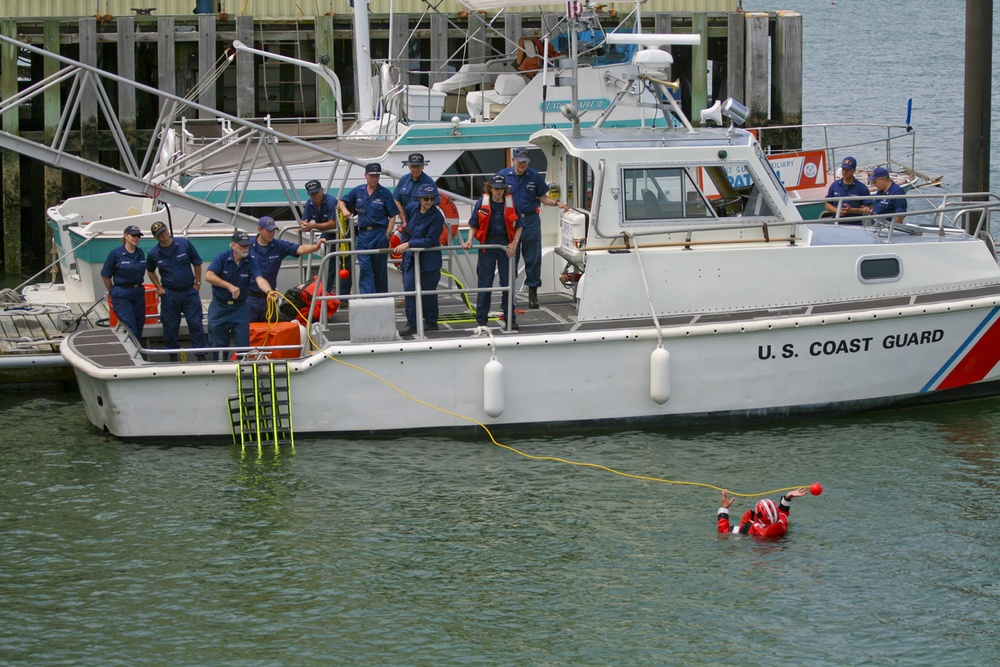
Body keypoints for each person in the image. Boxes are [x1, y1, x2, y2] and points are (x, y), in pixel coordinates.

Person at [500, 147, 568, 308]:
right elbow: (493, 196)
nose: (523, 164)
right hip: (510, 223)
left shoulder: (534, 176)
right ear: (513, 160)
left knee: (533, 258)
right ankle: (510, 294)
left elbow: (543, 197)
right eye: (520, 161)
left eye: (525, 162)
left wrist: (557, 203)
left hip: (530, 220)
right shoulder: (503, 175)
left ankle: (532, 294)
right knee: (510, 258)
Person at [462, 173, 522, 329]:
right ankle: (481, 320)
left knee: (508, 283)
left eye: (501, 189)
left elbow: (519, 225)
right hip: (486, 247)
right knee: (485, 284)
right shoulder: (482, 203)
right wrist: (469, 240)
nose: (499, 192)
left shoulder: (511, 202)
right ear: (490, 188)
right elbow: (473, 224)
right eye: (496, 189)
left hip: (505, 247)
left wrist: (514, 243)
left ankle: (510, 318)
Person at [205, 230, 274, 358]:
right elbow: (209, 276)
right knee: (217, 345)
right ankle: (219, 371)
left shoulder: (250, 261)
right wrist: (228, 286)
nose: (245, 248)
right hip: (219, 306)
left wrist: (269, 291)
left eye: (247, 245)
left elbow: (259, 278)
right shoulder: (222, 257)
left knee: (243, 345)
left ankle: (243, 370)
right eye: (242, 245)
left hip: (239, 308)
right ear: (233, 245)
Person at [145, 221, 207, 359]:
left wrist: (197, 283)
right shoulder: (153, 253)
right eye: (159, 234)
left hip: (189, 291)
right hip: (170, 294)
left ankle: (201, 355)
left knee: (196, 324)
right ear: (156, 237)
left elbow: (197, 262)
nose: (163, 235)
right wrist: (159, 287)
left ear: (168, 230)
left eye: (164, 231)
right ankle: (172, 356)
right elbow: (150, 271)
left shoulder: (184, 244)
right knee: (170, 327)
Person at [337, 163, 400, 294]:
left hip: (379, 234)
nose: (374, 179)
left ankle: (381, 298)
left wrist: (388, 233)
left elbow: (393, 215)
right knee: (365, 267)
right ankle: (368, 298)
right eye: (372, 176)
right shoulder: (358, 191)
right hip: (363, 235)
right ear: (366, 175)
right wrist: (344, 210)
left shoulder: (385, 193)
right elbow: (341, 201)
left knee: (379, 270)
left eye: (377, 176)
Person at [248, 216, 323, 322]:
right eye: (269, 230)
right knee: (248, 331)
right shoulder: (247, 246)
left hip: (270, 297)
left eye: (273, 230)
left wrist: (316, 247)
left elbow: (299, 249)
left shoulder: (278, 245)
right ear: (260, 230)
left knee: (270, 329)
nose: (272, 233)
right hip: (250, 297)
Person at [395, 183, 445, 336]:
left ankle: (431, 322)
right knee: (410, 291)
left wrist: (408, 244)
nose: (429, 202)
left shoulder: (437, 217)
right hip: (411, 258)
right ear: (420, 199)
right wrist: (406, 243)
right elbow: (407, 226)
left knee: (428, 293)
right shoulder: (411, 208)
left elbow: (430, 239)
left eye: (431, 199)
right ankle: (412, 324)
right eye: (425, 199)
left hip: (429, 261)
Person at [299, 178, 348, 296]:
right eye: (312, 193)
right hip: (327, 235)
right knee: (328, 266)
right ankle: (324, 294)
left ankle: (344, 297)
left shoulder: (330, 201)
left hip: (342, 235)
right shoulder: (310, 204)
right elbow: (303, 221)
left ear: (321, 190)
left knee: (346, 266)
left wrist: (313, 226)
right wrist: (305, 225)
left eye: (317, 192)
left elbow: (333, 223)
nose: (315, 195)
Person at [101, 224, 147, 339]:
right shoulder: (115, 254)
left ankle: (138, 351)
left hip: (138, 293)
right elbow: (105, 275)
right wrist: (112, 291)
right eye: (133, 235)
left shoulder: (140, 253)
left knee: (140, 324)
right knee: (131, 326)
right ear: (126, 236)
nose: (136, 238)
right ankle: (135, 354)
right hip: (122, 293)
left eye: (138, 236)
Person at [717, 488, 808, 538]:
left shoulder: (750, 530)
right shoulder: (782, 523)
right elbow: (783, 513)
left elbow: (723, 530)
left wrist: (724, 507)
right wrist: (787, 497)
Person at [393, 153, 437, 230]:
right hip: (405, 224)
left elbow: (433, 204)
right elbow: (396, 201)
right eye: (413, 166)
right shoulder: (403, 180)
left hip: (423, 225)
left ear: (423, 166)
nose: (416, 169)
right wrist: (404, 221)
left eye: (418, 166)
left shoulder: (429, 182)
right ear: (408, 165)